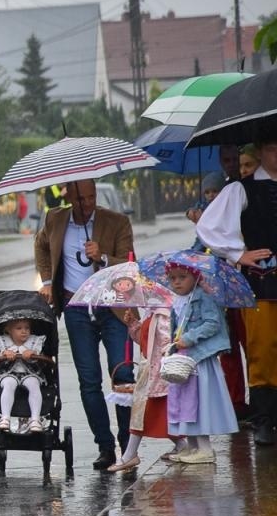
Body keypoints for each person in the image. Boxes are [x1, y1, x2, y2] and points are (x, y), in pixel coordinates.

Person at [35, 178, 135, 469]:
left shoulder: (116, 222)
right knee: (89, 381)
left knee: (123, 375)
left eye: (91, 197)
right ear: (68, 195)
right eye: (81, 199)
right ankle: (105, 447)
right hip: (77, 309)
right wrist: (47, 280)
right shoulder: (55, 219)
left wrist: (102, 256)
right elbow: (41, 247)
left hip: (113, 307)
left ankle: (128, 445)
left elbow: (130, 263)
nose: (87, 204)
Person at [198, 138, 277, 445]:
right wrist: (236, 253)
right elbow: (208, 226)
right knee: (261, 348)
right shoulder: (241, 189)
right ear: (262, 152)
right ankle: (263, 419)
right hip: (260, 279)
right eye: (272, 148)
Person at [160, 260, 237, 464]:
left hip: (200, 359)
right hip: (184, 358)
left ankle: (205, 448)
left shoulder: (203, 297)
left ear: (195, 277)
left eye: (182, 277)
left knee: (199, 402)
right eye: (172, 278)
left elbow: (213, 323)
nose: (176, 282)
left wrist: (190, 337)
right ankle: (192, 446)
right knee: (185, 403)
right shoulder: (178, 301)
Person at [110, 304, 184, 472]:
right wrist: (134, 325)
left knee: (144, 414)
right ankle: (181, 444)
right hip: (149, 372)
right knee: (149, 414)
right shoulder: (152, 313)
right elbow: (145, 341)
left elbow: (166, 344)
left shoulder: (163, 314)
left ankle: (130, 454)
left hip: (156, 373)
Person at [0, 319, 50, 434]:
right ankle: (5, 417)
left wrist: (33, 356)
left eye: (27, 328)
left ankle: (35, 419)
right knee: (9, 383)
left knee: (34, 384)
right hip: (8, 373)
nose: (24, 331)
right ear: (9, 330)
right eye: (19, 328)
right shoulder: (2, 342)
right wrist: (4, 355)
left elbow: (44, 364)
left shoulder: (36, 342)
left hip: (30, 373)